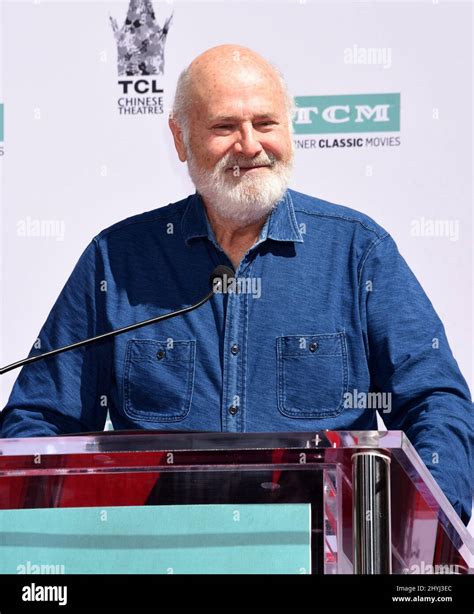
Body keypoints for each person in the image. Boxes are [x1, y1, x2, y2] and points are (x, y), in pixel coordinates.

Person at [1, 45, 472, 524]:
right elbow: (40, 421)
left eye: (266, 123)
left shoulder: (358, 252)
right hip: (160, 556)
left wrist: (420, 519)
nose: (250, 145)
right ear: (180, 139)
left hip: (322, 559)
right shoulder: (117, 260)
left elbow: (434, 404)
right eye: (225, 127)